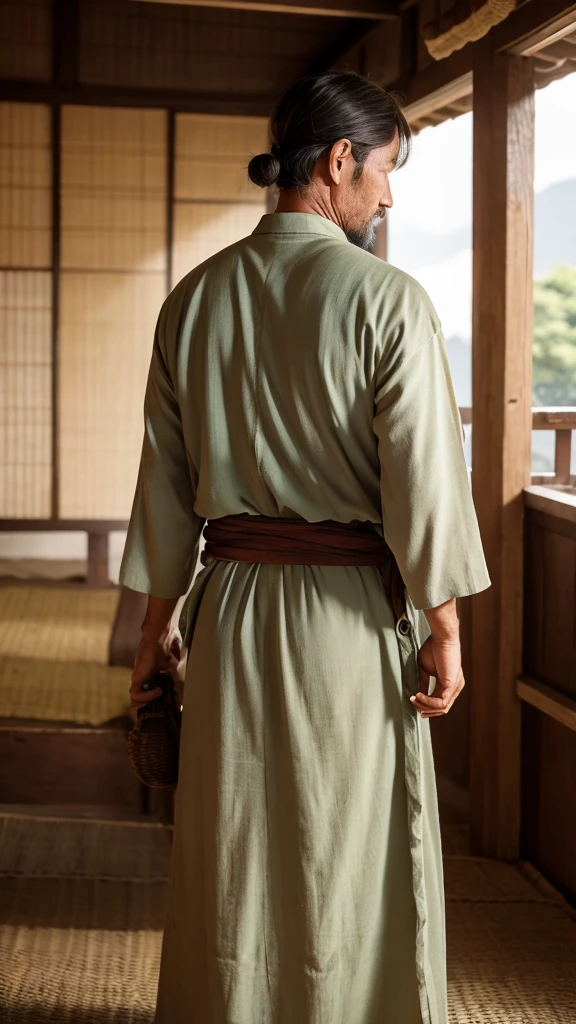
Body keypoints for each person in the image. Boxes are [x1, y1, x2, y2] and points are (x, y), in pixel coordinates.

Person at [119, 70, 491, 1024]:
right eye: (386, 171)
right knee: (350, 849)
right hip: (346, 619)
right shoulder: (388, 300)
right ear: (337, 162)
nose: (389, 196)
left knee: (233, 849)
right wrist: (444, 628)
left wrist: (156, 634)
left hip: (234, 606)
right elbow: (423, 486)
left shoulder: (192, 301)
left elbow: (165, 488)